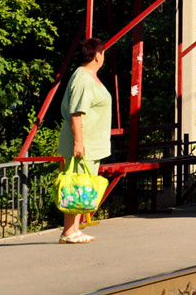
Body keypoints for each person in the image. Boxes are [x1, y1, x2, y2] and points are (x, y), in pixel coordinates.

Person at [57, 37, 111, 244]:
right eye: (102, 53)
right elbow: (76, 113)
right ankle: (68, 231)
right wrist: (79, 142)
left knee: (83, 186)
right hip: (83, 143)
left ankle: (74, 229)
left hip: (93, 143)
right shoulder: (83, 78)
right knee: (76, 185)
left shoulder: (90, 77)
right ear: (97, 55)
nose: (103, 57)